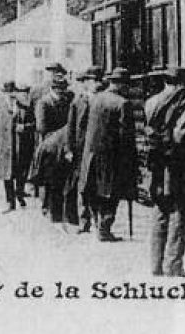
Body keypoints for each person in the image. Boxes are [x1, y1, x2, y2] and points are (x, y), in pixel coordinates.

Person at [145, 66, 185, 277]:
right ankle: (173, 265)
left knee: (160, 209)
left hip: (156, 164)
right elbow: (180, 137)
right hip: (176, 165)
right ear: (182, 84)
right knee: (180, 212)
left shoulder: (151, 102)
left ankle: (156, 265)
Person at [78, 67, 137, 242]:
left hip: (92, 155)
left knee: (94, 190)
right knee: (112, 193)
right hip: (112, 158)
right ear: (121, 85)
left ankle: (97, 224)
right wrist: (131, 161)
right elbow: (126, 137)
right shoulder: (122, 103)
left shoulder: (95, 99)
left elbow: (84, 125)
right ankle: (104, 228)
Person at [32, 62, 73, 219]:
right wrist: (62, 134)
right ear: (52, 89)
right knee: (49, 178)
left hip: (64, 144)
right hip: (49, 146)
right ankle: (48, 208)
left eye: (64, 90)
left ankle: (62, 210)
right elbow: (42, 128)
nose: (62, 92)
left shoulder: (68, 101)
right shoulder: (44, 103)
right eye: (59, 90)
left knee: (63, 178)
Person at [65, 66, 103, 232]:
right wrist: (69, 149)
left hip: (98, 150)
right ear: (86, 82)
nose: (95, 84)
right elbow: (71, 127)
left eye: (97, 80)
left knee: (98, 186)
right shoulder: (78, 102)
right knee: (82, 186)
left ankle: (99, 221)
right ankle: (84, 220)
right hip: (81, 151)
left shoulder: (103, 100)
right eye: (91, 80)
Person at [0, 81, 34, 213]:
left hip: (20, 147)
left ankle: (19, 194)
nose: (11, 95)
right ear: (4, 93)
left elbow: (34, 124)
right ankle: (10, 202)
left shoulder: (24, 107)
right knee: (6, 175)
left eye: (13, 92)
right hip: (4, 147)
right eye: (8, 92)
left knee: (20, 174)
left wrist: (24, 127)